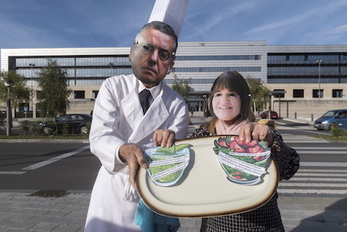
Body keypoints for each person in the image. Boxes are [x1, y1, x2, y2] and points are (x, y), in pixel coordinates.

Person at [84, 21, 189, 232]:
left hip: (152, 196)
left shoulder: (177, 104)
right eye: (147, 48)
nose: (153, 59)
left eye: (164, 55)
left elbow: (176, 156)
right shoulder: (113, 87)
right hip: (112, 189)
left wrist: (171, 139)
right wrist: (123, 149)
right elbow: (100, 136)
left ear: (171, 66)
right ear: (131, 53)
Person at [191, 71, 300, 232]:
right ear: (211, 100)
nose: (224, 100)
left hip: (261, 224)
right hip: (215, 224)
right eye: (218, 94)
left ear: (244, 99)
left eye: (232, 94)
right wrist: (168, 141)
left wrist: (270, 139)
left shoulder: (260, 131)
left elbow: (290, 167)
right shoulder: (203, 134)